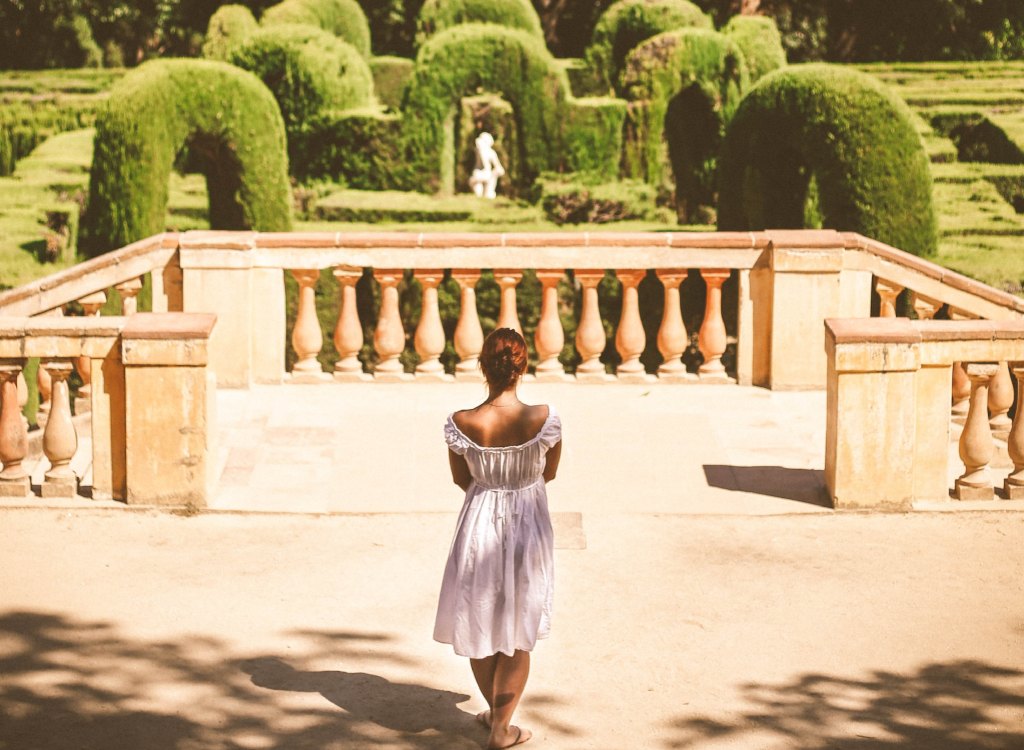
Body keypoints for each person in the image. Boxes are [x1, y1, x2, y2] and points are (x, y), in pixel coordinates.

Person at [434, 327, 562, 749]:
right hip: (528, 524)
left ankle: (497, 720)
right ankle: (500, 728)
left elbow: (459, 479)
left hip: (479, 522)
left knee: (479, 617)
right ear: (522, 367)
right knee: (518, 626)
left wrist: (492, 487)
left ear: (483, 366)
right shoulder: (543, 418)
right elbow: (550, 473)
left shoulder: (461, 422)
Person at [469, 131, 506, 199]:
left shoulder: (492, 153)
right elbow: (483, 161)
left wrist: (496, 172)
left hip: (488, 175)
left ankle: (489, 192)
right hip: (479, 174)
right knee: (478, 193)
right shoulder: (478, 150)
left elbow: (499, 168)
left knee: (488, 194)